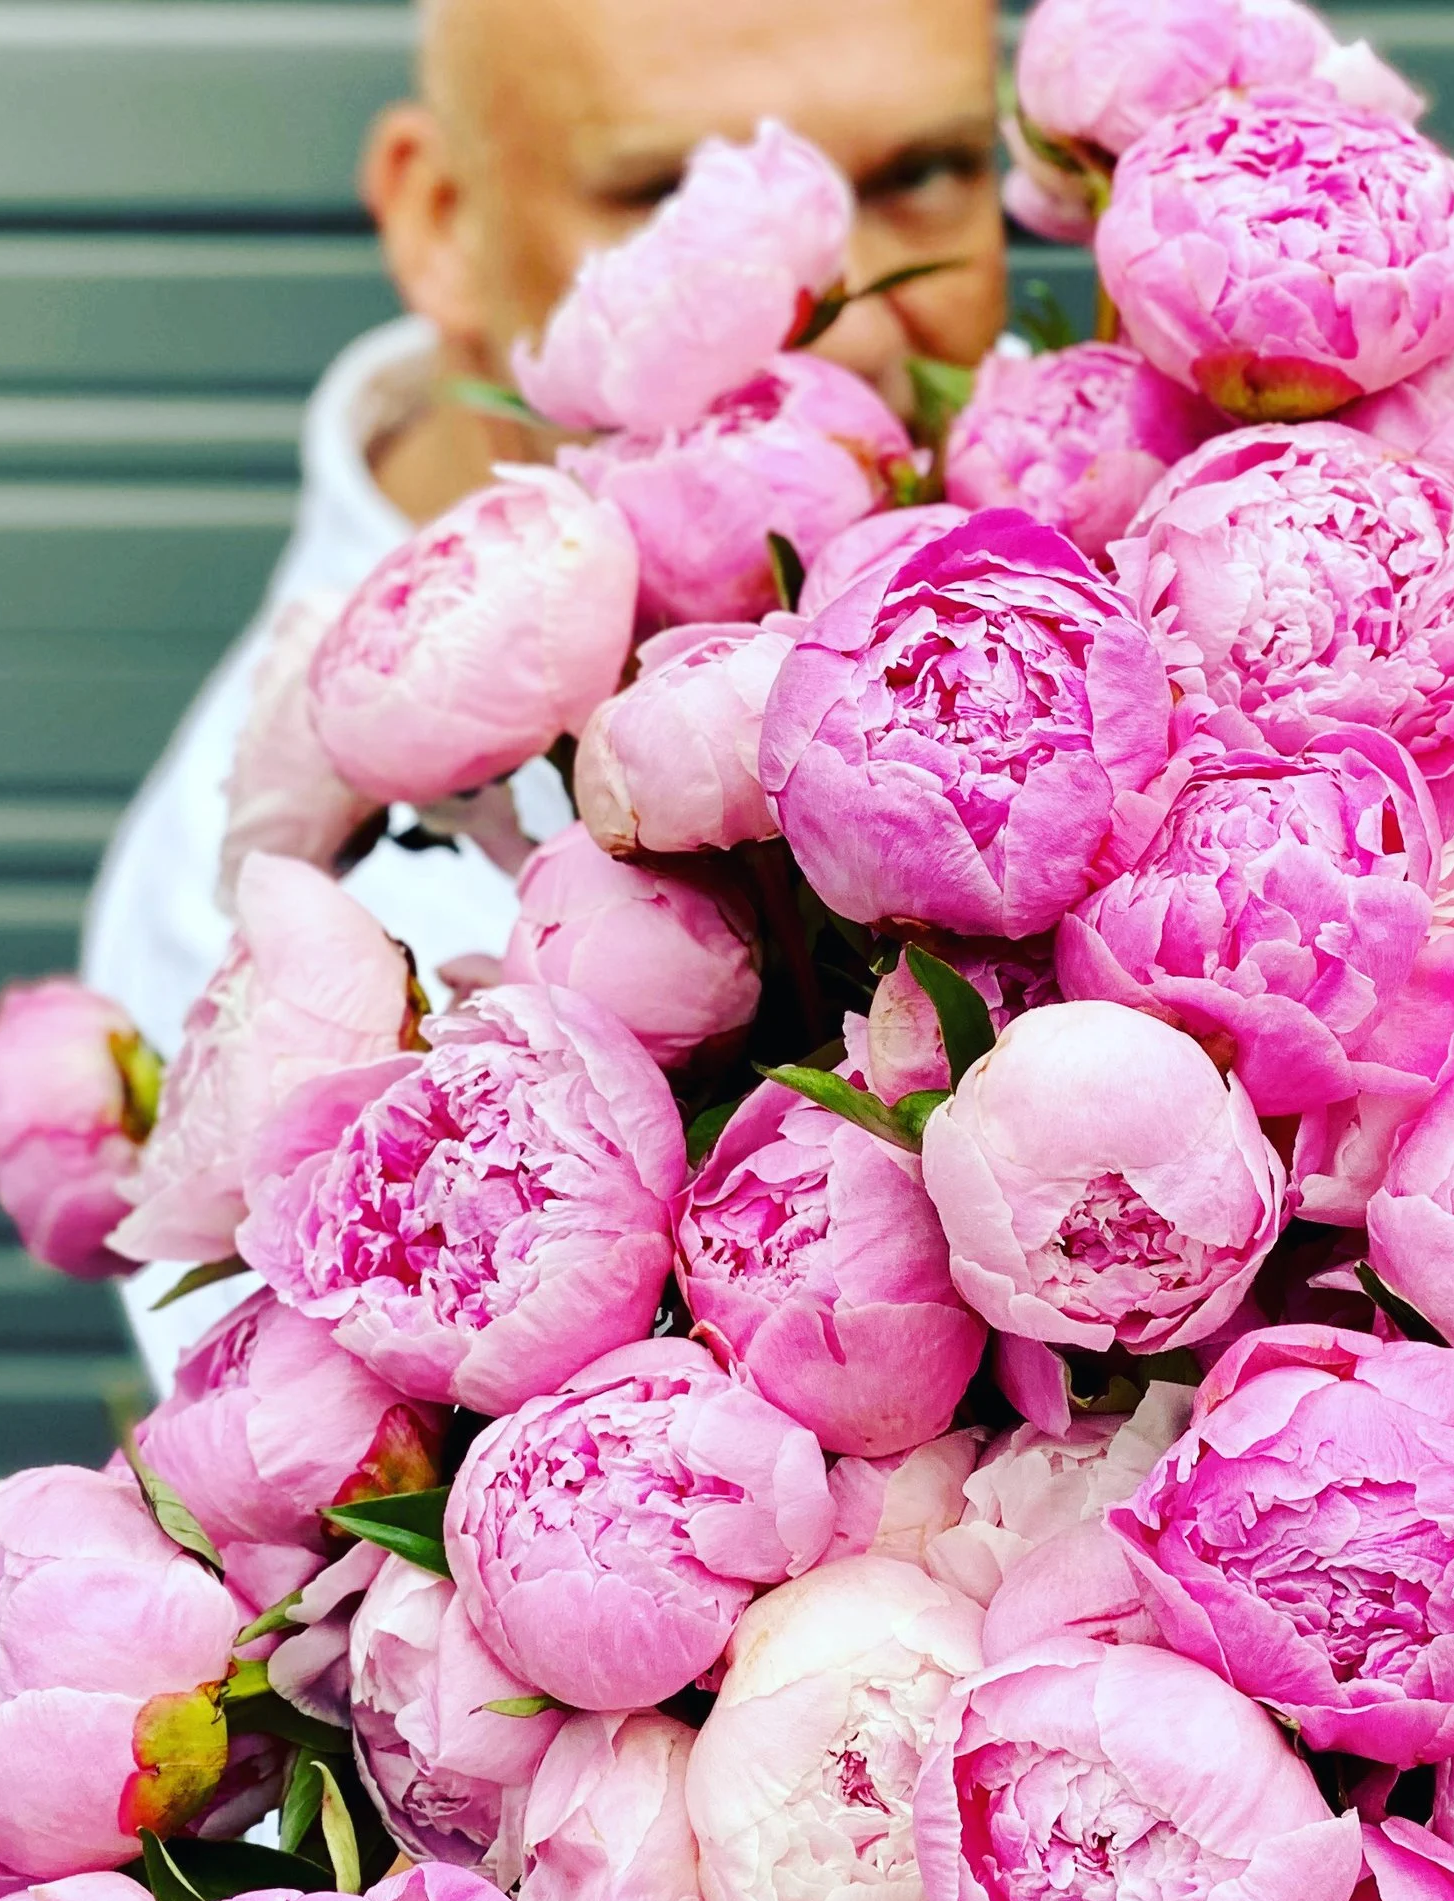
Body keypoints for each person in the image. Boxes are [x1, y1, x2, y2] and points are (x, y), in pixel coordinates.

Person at [79, 0, 1006, 1377]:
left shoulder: (1038, 522)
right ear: (441, 219)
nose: (838, 326)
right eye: (675, 202)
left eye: (922, 175)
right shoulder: (263, 919)